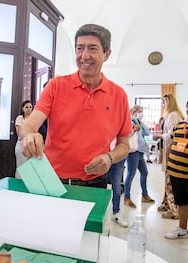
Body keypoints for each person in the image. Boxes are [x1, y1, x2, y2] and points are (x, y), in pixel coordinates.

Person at [20, 23, 132, 189]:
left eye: (93, 49)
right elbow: (28, 127)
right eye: (80, 48)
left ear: (106, 54)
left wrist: (109, 157)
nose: (84, 56)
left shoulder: (119, 95)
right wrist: (28, 137)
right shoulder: (56, 86)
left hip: (95, 184)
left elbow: (124, 145)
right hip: (52, 181)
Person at [164, 96, 188, 240]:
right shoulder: (179, 125)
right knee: (181, 203)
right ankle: (182, 229)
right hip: (174, 172)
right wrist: (168, 165)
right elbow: (171, 144)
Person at [153, 94, 185, 219]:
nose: (162, 105)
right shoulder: (172, 115)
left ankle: (174, 210)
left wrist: (160, 136)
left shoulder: (173, 115)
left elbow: (173, 134)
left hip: (172, 151)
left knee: (170, 182)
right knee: (167, 179)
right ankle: (166, 203)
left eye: (163, 103)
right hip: (169, 150)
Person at [123, 104, 155, 208]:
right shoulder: (129, 121)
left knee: (144, 172)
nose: (141, 113)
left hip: (140, 151)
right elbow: (126, 135)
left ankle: (144, 195)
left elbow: (147, 132)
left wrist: (140, 124)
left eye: (142, 111)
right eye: (140, 111)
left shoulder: (138, 122)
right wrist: (134, 129)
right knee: (131, 174)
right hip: (133, 152)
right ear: (134, 111)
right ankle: (127, 197)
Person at [15, 100, 33, 178]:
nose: (29, 109)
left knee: (29, 167)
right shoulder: (20, 118)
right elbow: (20, 133)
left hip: (31, 145)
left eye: (30, 107)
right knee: (21, 167)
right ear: (22, 108)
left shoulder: (33, 118)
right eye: (26, 107)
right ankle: (18, 184)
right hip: (21, 144)